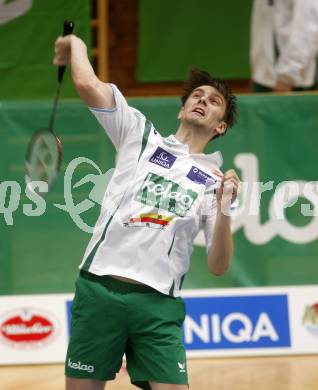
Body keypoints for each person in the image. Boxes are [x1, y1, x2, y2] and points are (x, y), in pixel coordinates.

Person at [54, 34, 240, 390]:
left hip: (157, 306)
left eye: (214, 101)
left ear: (221, 126)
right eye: (196, 96)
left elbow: (218, 265)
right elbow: (86, 83)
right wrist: (76, 42)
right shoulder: (138, 134)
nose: (203, 100)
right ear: (181, 109)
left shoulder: (217, 183)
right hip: (99, 291)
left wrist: (226, 209)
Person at [251, 0, 318, 92]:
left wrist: (287, 78)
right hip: (264, 76)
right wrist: (259, 70)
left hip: (292, 80)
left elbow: (308, 30)